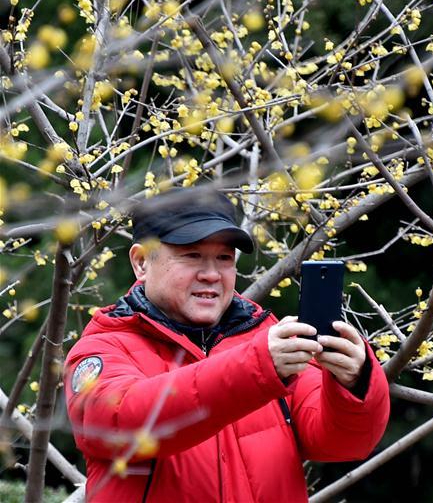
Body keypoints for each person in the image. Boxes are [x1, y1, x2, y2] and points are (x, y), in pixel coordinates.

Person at [64, 188, 390, 502]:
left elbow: (342, 443)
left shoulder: (267, 339)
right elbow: (122, 423)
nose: (212, 274)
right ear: (141, 262)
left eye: (223, 258)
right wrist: (256, 367)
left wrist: (355, 382)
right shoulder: (102, 348)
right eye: (192, 255)